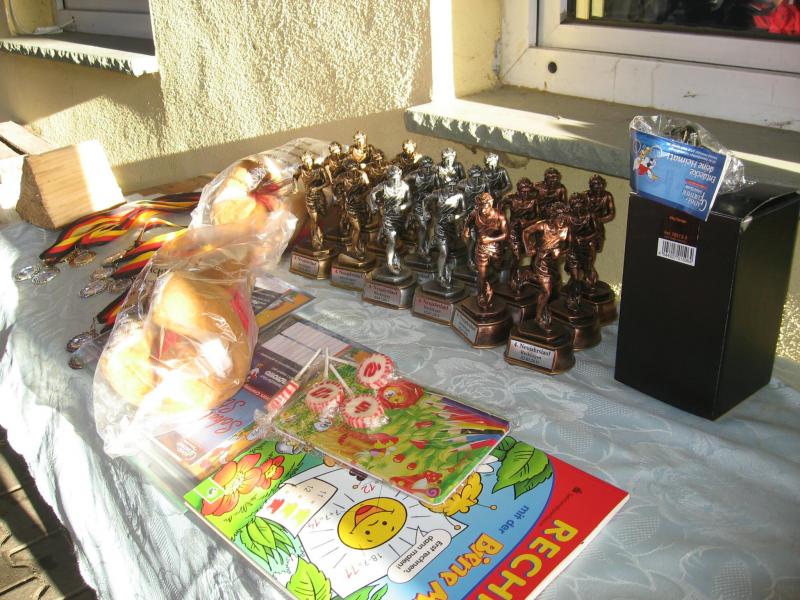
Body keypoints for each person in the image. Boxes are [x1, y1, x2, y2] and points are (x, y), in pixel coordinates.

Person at [522, 202, 571, 329]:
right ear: (553, 217)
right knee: (546, 291)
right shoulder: (543, 225)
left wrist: (561, 251)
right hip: (541, 261)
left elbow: (569, 246)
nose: (562, 221)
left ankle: (526, 276)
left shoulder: (566, 229)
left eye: (564, 218)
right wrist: (528, 247)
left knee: (553, 286)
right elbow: (526, 232)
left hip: (553, 262)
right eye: (559, 218)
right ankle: (538, 317)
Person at [463, 192, 508, 309]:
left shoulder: (499, 215)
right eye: (480, 206)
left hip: (495, 247)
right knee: (481, 274)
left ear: (491, 203)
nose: (483, 210)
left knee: (497, 268)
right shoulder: (476, 212)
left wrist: (490, 239)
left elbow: (506, 235)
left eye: (485, 206)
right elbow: (469, 219)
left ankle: (490, 287)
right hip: (481, 247)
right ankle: (481, 295)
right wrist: (466, 230)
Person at [368, 165, 412, 274]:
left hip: (400, 217)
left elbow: (410, 201)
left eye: (397, 178)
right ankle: (390, 264)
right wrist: (374, 206)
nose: (395, 181)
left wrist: (402, 207)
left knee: (395, 241)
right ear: (388, 178)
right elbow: (371, 194)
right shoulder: (383, 186)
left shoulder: (405, 186)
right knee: (391, 241)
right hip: (388, 217)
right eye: (392, 179)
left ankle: (393, 256)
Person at [499, 177, 539, 290]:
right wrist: (502, 221)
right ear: (518, 190)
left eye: (528, 191)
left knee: (534, 251)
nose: (525, 194)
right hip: (514, 231)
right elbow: (499, 206)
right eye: (523, 191)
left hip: (528, 231)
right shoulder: (511, 199)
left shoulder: (533, 201)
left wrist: (528, 222)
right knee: (516, 255)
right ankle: (512, 277)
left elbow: (538, 218)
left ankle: (531, 273)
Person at [428, 174, 466, 288]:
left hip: (451, 226)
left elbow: (464, 211)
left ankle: (431, 244)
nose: (452, 188)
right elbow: (425, 200)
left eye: (454, 185)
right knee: (444, 252)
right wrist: (427, 213)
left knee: (452, 245)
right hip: (439, 225)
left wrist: (456, 216)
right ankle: (440, 277)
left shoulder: (460, 195)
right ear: (443, 185)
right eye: (449, 185)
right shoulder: (436, 194)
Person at [333, 159, 371, 259]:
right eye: (350, 170)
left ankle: (358, 244)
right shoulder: (342, 177)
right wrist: (341, 199)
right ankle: (354, 249)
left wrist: (362, 196)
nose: (353, 172)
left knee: (360, 227)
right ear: (346, 170)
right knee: (357, 228)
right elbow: (335, 187)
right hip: (349, 205)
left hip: (361, 204)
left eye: (355, 169)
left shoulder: (362, 174)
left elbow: (369, 187)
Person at [293, 152, 328, 250]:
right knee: (314, 219)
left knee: (322, 216)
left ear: (312, 159)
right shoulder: (301, 169)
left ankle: (320, 237)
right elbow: (295, 177)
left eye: (308, 160)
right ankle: (315, 240)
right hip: (309, 197)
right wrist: (295, 188)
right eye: (305, 161)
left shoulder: (319, 168)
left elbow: (327, 182)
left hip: (320, 196)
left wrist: (317, 188)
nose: (307, 162)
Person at [406, 156, 437, 259]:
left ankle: (423, 245)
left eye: (429, 167)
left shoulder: (434, 175)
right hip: (418, 204)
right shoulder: (413, 176)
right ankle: (420, 249)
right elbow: (402, 185)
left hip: (429, 204)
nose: (428, 169)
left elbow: (439, 188)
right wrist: (409, 195)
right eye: (425, 167)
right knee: (423, 226)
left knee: (427, 226)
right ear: (420, 167)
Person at [584, 174, 615, 254]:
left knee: (597, 247)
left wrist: (597, 220)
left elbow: (611, 214)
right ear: (590, 186)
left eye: (600, 184)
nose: (599, 186)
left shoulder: (607, 196)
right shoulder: (585, 195)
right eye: (596, 184)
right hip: (586, 226)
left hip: (598, 225)